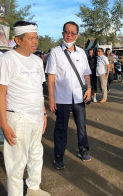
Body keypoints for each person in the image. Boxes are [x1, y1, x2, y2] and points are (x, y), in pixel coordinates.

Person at [0, 21, 50, 196]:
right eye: (31, 38)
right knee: (16, 163)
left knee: (36, 154)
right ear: (18, 40)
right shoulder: (6, 60)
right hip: (17, 118)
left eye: (36, 38)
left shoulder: (37, 61)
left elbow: (38, 89)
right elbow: (0, 93)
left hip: (36, 117)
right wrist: (3, 123)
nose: (35, 41)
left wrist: (43, 112)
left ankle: (34, 188)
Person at [46, 21, 92, 170]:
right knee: (61, 127)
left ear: (77, 35)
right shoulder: (55, 52)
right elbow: (51, 76)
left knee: (81, 125)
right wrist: (51, 98)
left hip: (79, 96)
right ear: (62, 33)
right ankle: (58, 155)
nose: (69, 35)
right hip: (62, 97)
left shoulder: (81, 53)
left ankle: (83, 149)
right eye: (67, 32)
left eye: (73, 33)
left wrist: (89, 88)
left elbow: (86, 73)